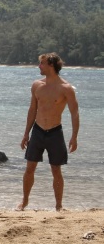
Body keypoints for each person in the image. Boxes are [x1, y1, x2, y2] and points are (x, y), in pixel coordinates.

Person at [17, 53, 79, 211]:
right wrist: (26, 133)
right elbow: (32, 110)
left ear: (51, 65)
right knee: (30, 168)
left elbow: (74, 113)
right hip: (37, 131)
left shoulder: (66, 88)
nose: (39, 66)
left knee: (56, 170)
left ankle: (58, 205)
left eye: (42, 63)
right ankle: (24, 201)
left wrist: (74, 136)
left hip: (55, 132)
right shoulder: (37, 85)